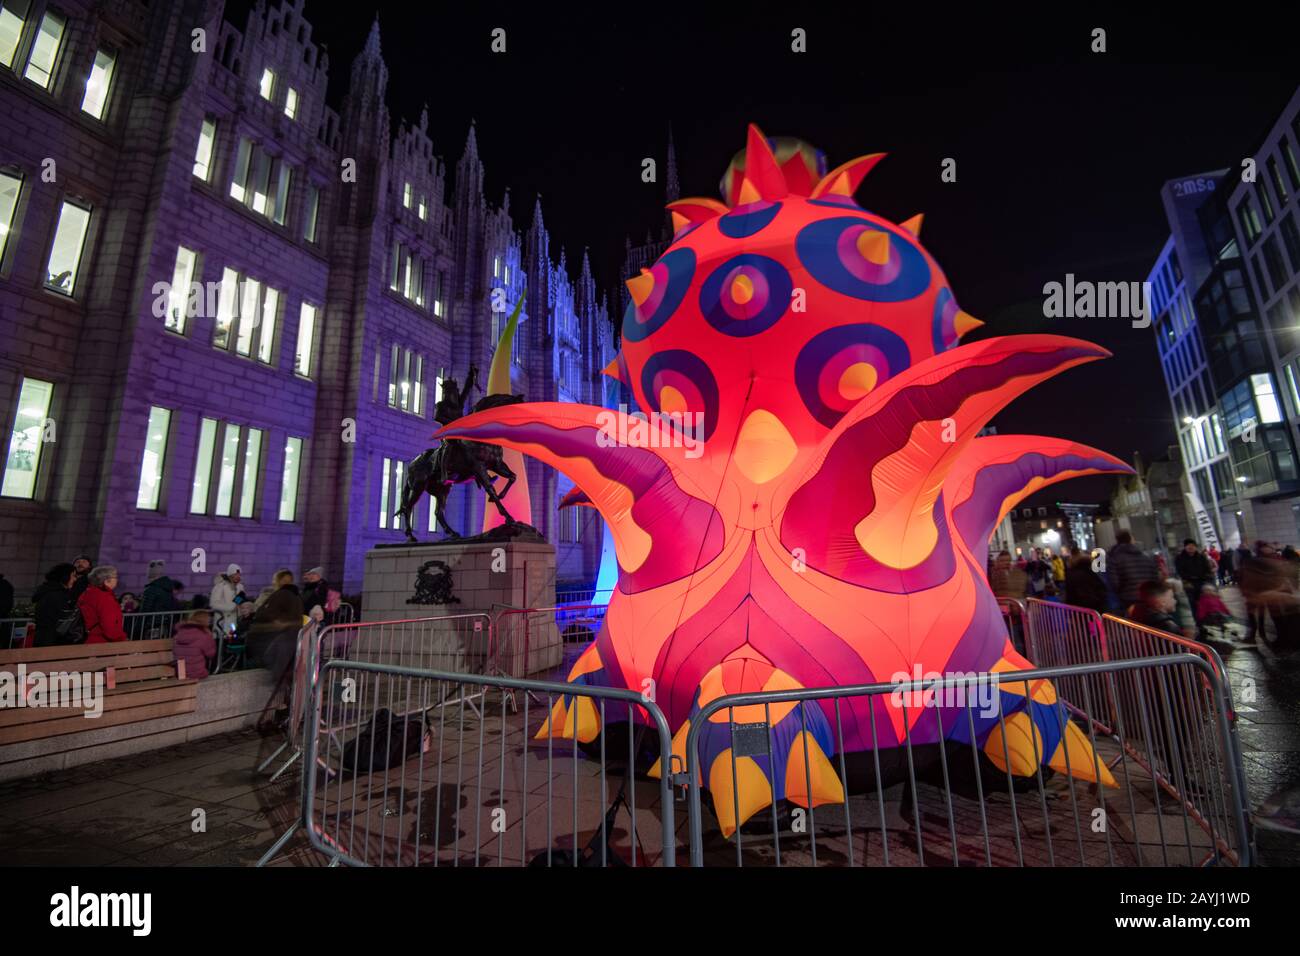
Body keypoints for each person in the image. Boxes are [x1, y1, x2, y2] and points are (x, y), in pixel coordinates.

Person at [246, 569, 305, 684]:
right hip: (286, 643)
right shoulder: (296, 596)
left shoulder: (281, 595)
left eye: (275, 580)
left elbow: (265, 614)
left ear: (280, 581)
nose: (273, 582)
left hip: (274, 642)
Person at [1107, 530, 1158, 609]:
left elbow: (1114, 583)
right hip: (1148, 598)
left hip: (1128, 601)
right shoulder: (1145, 557)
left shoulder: (1114, 558)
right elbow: (1155, 577)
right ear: (1131, 540)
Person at [78, 565, 128, 643]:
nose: (117, 580)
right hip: (101, 642)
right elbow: (109, 625)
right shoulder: (105, 597)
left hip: (87, 639)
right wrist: (122, 639)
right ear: (106, 581)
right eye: (115, 577)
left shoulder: (87, 592)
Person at [32, 563, 77, 647]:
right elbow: (62, 619)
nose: (75, 579)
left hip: (47, 638)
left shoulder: (49, 591)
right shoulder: (56, 595)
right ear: (65, 576)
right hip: (52, 641)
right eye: (73, 576)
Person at [172, 608, 217, 679]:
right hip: (197, 673)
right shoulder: (203, 635)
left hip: (180, 673)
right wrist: (211, 638)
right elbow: (211, 654)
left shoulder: (179, 633)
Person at [1064, 548, 1108, 613]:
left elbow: (1069, 595)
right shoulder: (1091, 573)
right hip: (1094, 608)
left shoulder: (1070, 574)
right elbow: (1102, 589)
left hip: (1078, 610)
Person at [1174, 538, 1213, 607]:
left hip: (1202, 582)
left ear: (1195, 547)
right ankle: (1197, 617)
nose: (1191, 547)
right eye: (1188, 545)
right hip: (1189, 584)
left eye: (1192, 545)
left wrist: (1207, 580)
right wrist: (1187, 579)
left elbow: (1208, 569)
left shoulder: (1201, 557)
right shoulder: (1179, 558)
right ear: (1185, 547)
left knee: (1206, 603)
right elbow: (1179, 571)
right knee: (1193, 604)